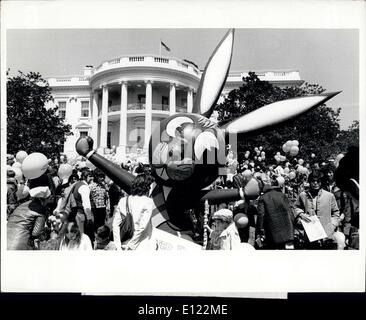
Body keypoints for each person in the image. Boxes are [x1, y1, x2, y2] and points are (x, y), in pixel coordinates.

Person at [294, 171, 344, 249]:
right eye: (313, 181)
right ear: (309, 182)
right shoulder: (303, 195)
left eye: (318, 181)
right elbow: (295, 207)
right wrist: (301, 214)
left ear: (321, 182)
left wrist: (332, 226)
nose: (315, 183)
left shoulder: (329, 196)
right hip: (310, 235)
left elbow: (336, 213)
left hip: (327, 236)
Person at [7, 173, 56, 250]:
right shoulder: (41, 209)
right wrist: (47, 231)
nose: (50, 200)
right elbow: (36, 233)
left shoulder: (24, 204)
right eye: (49, 198)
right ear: (43, 199)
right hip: (20, 242)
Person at [112, 173, 156, 250]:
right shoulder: (148, 202)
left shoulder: (123, 200)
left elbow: (115, 225)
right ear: (146, 187)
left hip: (124, 242)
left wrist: (118, 245)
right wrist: (131, 245)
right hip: (143, 244)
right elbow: (142, 227)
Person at [256, 176, 294, 249]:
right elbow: (290, 212)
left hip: (272, 233)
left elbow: (261, 215)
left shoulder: (263, 198)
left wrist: (260, 231)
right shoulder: (282, 195)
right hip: (288, 231)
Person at [70, 169, 95, 243]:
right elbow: (86, 204)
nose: (92, 178)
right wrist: (89, 218)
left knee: (79, 236)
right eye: (90, 176)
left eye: (92, 176)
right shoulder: (84, 187)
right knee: (85, 237)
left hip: (77, 214)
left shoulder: (77, 184)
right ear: (84, 177)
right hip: (83, 215)